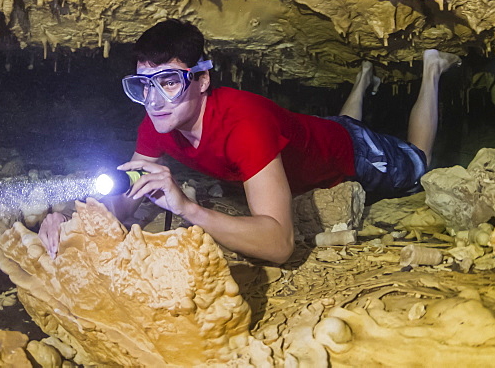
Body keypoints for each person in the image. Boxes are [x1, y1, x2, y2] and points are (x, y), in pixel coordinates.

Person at [40, 19, 459, 264]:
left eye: (168, 81)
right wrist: (71, 221)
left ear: (202, 80)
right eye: (143, 85)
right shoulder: (160, 118)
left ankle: (432, 69)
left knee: (418, 164)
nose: (153, 100)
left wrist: (187, 208)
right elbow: (125, 200)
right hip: (312, 132)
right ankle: (364, 79)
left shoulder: (244, 126)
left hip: (348, 153)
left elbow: (278, 244)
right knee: (341, 124)